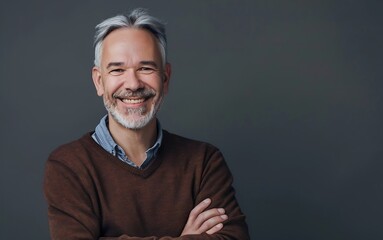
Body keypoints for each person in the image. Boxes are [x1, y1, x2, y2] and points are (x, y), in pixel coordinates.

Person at [43, 8, 249, 240]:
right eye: (117, 70)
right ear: (99, 81)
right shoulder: (68, 166)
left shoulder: (204, 162)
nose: (132, 84)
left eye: (145, 68)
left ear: (165, 78)